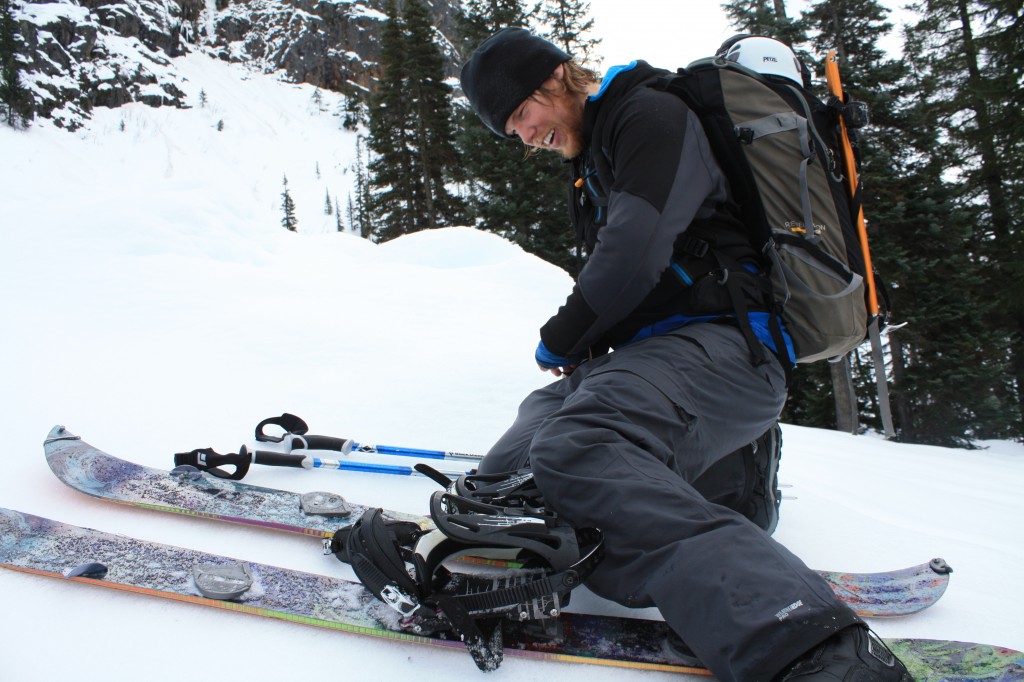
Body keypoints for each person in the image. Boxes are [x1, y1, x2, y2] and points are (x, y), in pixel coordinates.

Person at [459, 27, 912, 682]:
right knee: (509, 477)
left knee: (578, 448)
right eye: (509, 131)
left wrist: (562, 336)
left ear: (555, 77)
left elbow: (637, 251)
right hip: (656, 361)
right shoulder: (595, 160)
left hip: (728, 350)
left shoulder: (649, 114)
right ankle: (688, 498)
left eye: (520, 115)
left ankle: (812, 645)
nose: (522, 136)